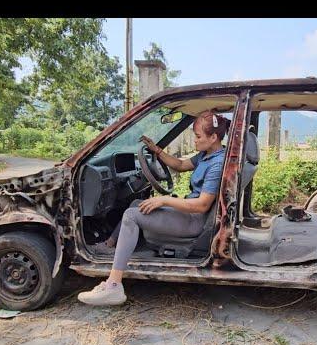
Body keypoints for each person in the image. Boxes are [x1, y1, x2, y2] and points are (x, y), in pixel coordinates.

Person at [77, 110, 231, 306]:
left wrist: (164, 200)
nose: (194, 140)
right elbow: (181, 165)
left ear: (213, 137)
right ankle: (109, 245)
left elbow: (201, 205)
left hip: (194, 221)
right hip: (189, 213)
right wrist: (157, 151)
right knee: (136, 204)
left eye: (198, 136)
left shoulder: (217, 164)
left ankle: (114, 285)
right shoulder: (207, 154)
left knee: (132, 215)